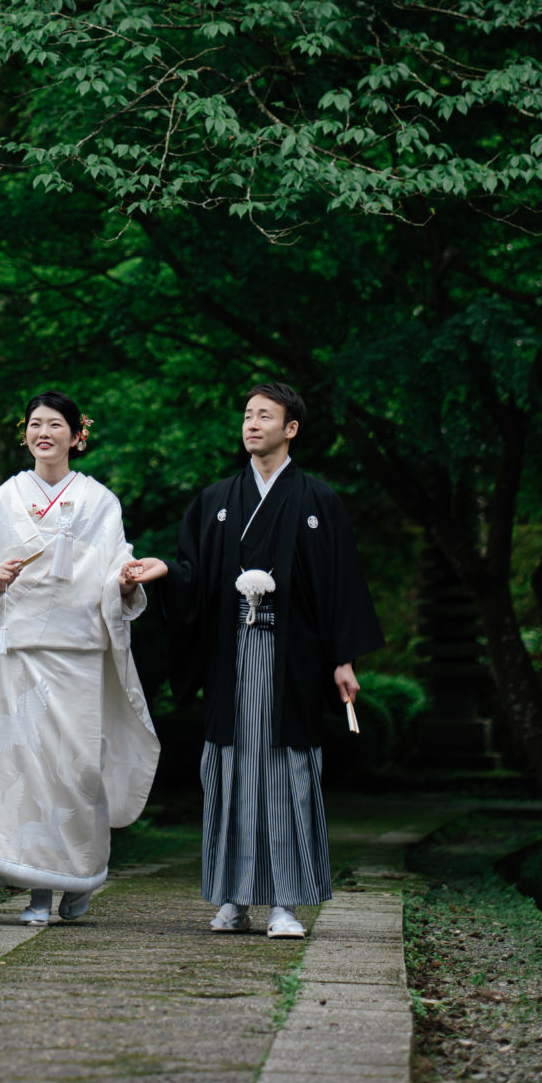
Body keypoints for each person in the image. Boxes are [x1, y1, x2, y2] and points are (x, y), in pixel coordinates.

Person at [127, 381, 381, 939]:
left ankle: (286, 902)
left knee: (287, 771)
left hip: (293, 659)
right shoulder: (217, 501)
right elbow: (194, 574)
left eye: (265, 416)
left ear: (291, 429)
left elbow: (340, 587)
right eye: (247, 415)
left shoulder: (319, 502)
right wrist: (167, 573)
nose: (252, 424)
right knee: (232, 770)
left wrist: (343, 659)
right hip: (229, 657)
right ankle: (234, 898)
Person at [0, 390, 160, 926]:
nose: (44, 433)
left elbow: (117, 564)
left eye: (56, 425)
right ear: (25, 435)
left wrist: (129, 580)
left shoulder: (99, 501)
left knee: (77, 767)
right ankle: (38, 889)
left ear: (76, 435)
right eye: (35, 425)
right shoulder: (4, 498)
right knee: (25, 765)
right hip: (20, 649)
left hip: (77, 649)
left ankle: (82, 875)